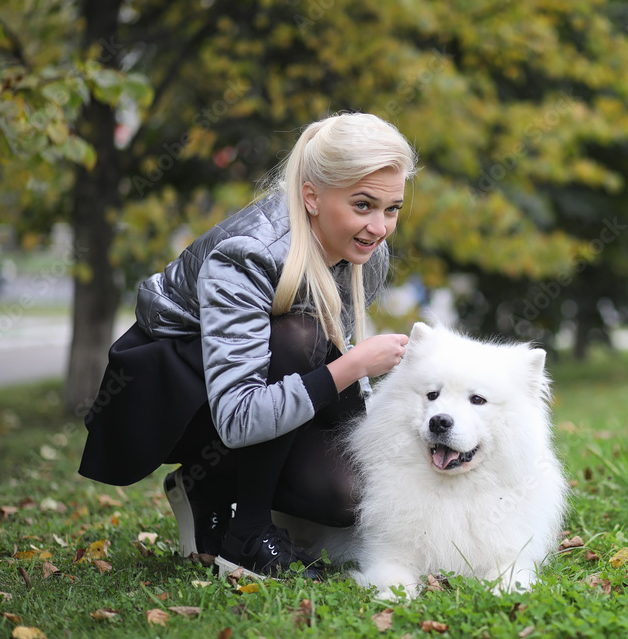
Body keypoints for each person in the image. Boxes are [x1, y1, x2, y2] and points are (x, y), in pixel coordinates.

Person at [78, 112, 417, 580]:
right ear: (312, 196)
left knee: (346, 496)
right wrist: (354, 366)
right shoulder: (249, 253)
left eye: (391, 209)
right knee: (300, 336)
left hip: (255, 391)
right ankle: (247, 538)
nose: (379, 227)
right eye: (363, 205)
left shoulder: (365, 252)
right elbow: (239, 417)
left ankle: (207, 486)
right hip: (173, 401)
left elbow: (332, 362)